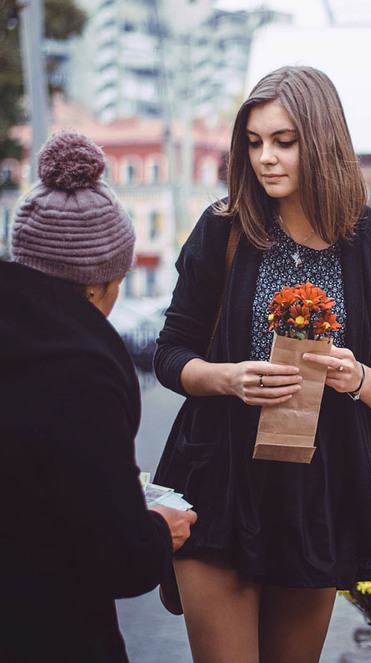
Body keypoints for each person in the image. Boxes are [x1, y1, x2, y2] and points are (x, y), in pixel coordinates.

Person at [153, 65, 371, 662]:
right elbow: (171, 353)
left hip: (318, 496)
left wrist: (356, 379)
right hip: (217, 482)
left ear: (322, 142)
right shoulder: (223, 230)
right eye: (253, 143)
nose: (265, 158)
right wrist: (226, 377)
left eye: (283, 141)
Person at [0, 130, 197, 662]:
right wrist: (159, 528)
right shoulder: (80, 374)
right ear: (101, 283)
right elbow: (120, 558)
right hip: (51, 633)